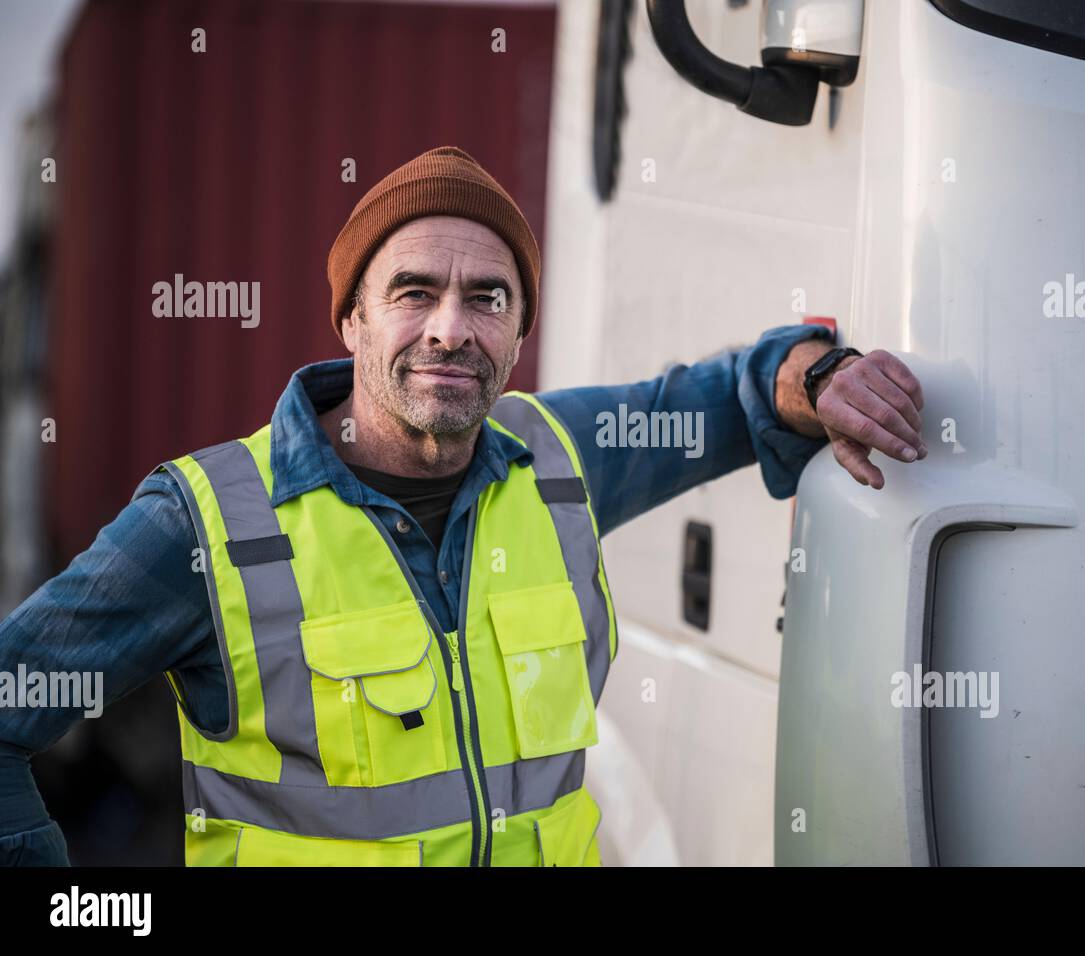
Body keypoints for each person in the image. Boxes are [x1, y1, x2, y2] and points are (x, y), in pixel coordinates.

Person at [0, 146, 925, 866]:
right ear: (353, 319)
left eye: (487, 296)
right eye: (413, 292)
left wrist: (826, 378)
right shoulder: (206, 522)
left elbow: (729, 397)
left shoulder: (559, 460)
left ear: (520, 331)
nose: (450, 327)